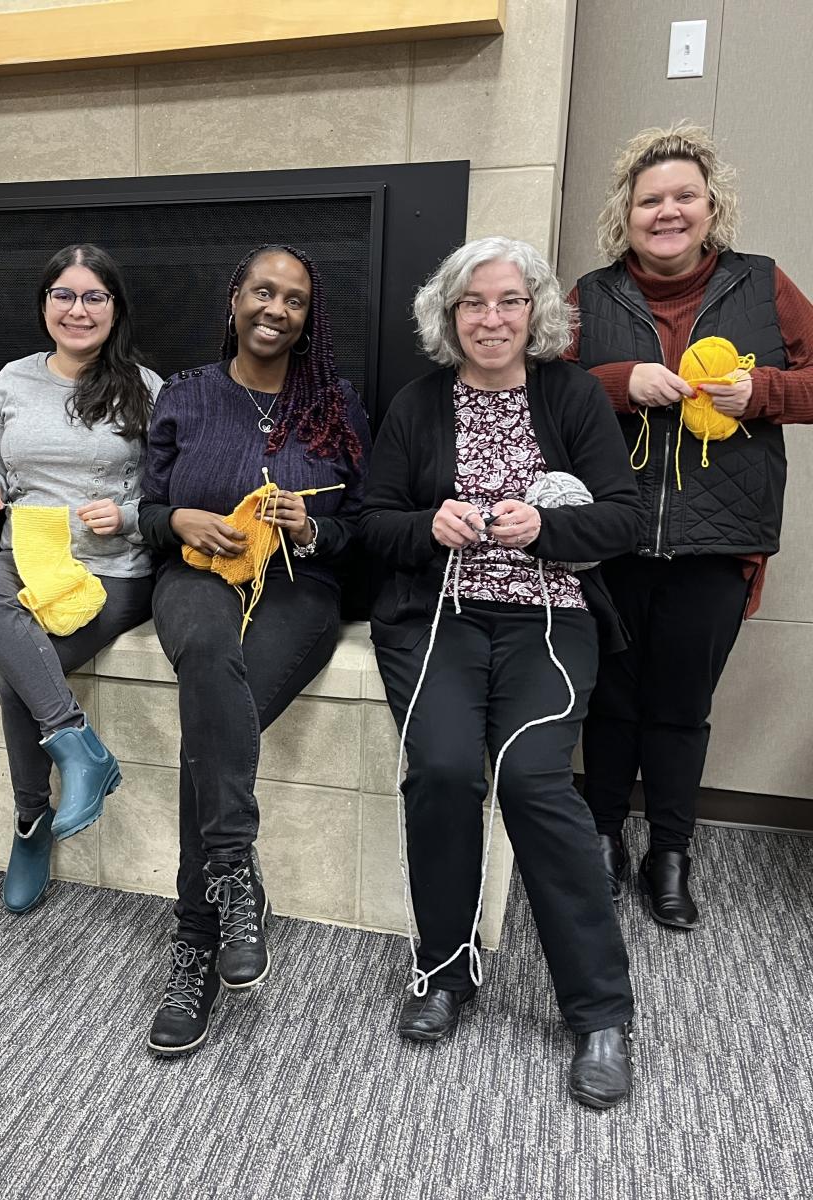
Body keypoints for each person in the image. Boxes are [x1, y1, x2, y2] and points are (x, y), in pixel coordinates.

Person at [360, 237, 638, 1109]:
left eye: (509, 301)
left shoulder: (573, 396)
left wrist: (544, 532)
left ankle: (600, 1013)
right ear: (451, 316)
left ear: (535, 311)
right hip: (438, 616)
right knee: (441, 771)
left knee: (531, 783)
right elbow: (373, 520)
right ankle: (446, 970)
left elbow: (621, 520)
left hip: (549, 622)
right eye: (474, 303)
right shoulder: (415, 404)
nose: (491, 318)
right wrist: (426, 527)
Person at [568, 124, 813, 929]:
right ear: (626, 214)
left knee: (679, 705)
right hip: (611, 534)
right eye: (650, 200)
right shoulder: (588, 297)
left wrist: (767, 392)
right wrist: (618, 381)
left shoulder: (764, 284)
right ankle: (601, 835)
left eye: (684, 197)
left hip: (718, 540)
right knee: (607, 697)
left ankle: (669, 853)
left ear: (711, 208)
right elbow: (543, 394)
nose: (667, 212)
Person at [138, 243, 370, 1056]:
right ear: (235, 298)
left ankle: (196, 939)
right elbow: (144, 506)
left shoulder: (335, 403)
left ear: (310, 318)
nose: (276, 308)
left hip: (301, 588)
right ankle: (232, 877)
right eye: (262, 292)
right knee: (205, 657)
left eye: (295, 299)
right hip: (195, 573)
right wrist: (177, 520)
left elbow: (362, 527)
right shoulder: (187, 394)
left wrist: (315, 528)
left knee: (212, 733)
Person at [0, 244, 162, 913]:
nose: (78, 310)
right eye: (64, 296)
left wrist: (129, 516)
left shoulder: (148, 387)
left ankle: (29, 823)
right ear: (45, 304)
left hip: (112, 572)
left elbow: (171, 498)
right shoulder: (13, 380)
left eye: (94, 297)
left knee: (18, 681)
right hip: (31, 559)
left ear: (115, 308)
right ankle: (78, 748)